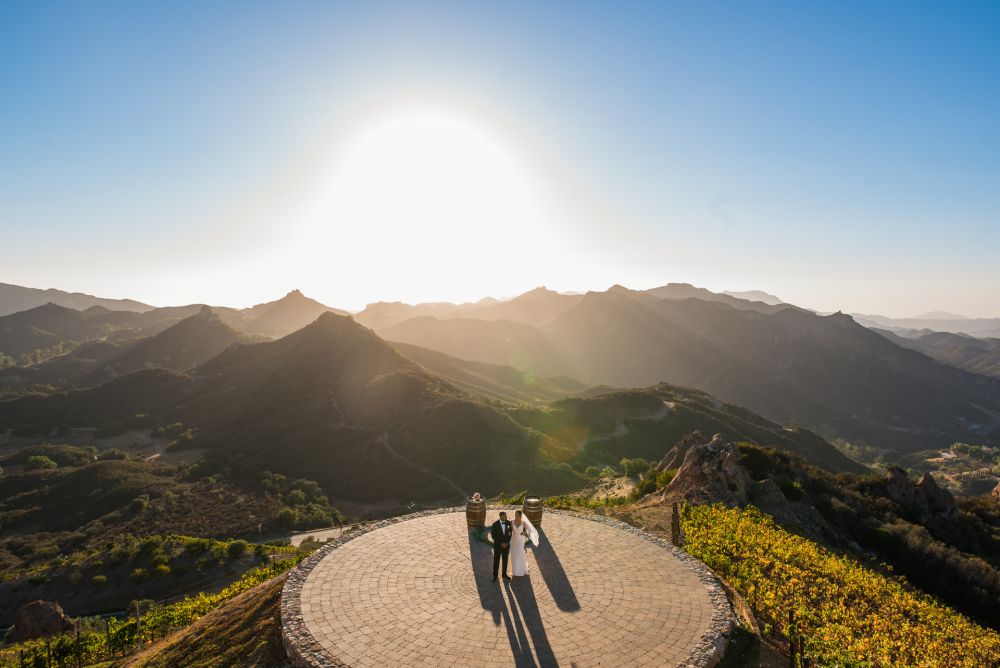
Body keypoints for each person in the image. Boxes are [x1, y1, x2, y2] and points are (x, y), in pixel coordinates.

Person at [509, 509, 540, 577]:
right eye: (515, 514)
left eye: (517, 514)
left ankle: (520, 571)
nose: (515, 516)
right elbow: (510, 531)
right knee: (514, 555)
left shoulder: (524, 523)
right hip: (514, 540)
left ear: (520, 515)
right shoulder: (511, 521)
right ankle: (515, 570)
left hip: (521, 540)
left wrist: (525, 533)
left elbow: (530, 531)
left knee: (520, 554)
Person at [489, 511, 513, 582]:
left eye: (506, 516)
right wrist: (501, 543)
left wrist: (507, 543)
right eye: (505, 516)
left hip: (506, 546)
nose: (506, 517)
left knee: (505, 560)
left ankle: (504, 574)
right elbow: (493, 536)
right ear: (501, 516)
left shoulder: (508, 523)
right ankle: (495, 575)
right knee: (496, 561)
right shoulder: (495, 524)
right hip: (497, 546)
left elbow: (510, 534)